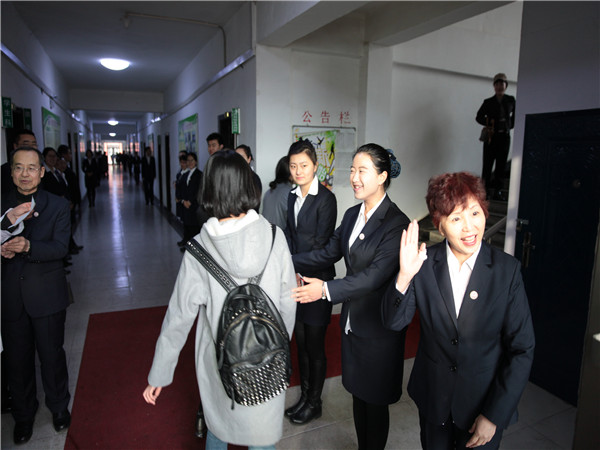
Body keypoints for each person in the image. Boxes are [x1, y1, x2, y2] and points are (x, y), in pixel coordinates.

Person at [143, 150, 296, 450]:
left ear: (209, 189)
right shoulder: (275, 236)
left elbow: (180, 315)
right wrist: (272, 346)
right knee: (263, 437)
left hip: (220, 361)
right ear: (247, 184)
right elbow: (288, 301)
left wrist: (160, 372)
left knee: (218, 428)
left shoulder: (199, 248)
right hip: (268, 360)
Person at [381, 172, 535, 450]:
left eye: (475, 213)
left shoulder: (506, 271)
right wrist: (404, 276)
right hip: (433, 399)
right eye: (455, 218)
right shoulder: (423, 264)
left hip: (482, 404)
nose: (469, 227)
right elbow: (393, 323)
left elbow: (522, 349)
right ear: (439, 226)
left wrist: (494, 414)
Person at [291, 143, 409, 449]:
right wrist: (285, 259)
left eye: (362, 171)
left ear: (382, 176)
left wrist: (324, 290)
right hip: (353, 324)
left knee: (375, 402)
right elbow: (328, 252)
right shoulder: (353, 213)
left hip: (379, 328)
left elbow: (373, 277)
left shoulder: (396, 223)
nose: (354, 178)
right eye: (353, 170)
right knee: (358, 395)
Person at [1, 146, 72, 444]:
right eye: (19, 168)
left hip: (46, 295)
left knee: (51, 355)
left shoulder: (57, 205)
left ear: (42, 172)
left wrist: (29, 247)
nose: (25, 174)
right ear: (11, 172)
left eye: (31, 168)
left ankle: (59, 407)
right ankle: (23, 415)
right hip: (10, 296)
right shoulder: (1, 204)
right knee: (17, 360)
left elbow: (60, 248)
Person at [283, 139, 337, 425]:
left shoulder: (326, 199)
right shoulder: (291, 196)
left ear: (315, 166)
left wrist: (290, 263)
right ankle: (305, 398)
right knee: (301, 343)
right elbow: (290, 235)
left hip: (318, 282)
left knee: (315, 346)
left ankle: (315, 402)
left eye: (304, 165)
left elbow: (322, 247)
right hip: (297, 280)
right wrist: (290, 269)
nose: (298, 171)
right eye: (293, 166)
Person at [476, 73, 516, 201]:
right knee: (487, 165)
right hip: (491, 137)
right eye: (497, 84)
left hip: (504, 136)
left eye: (502, 84)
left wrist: (508, 125)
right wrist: (489, 123)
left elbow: (516, 116)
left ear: (506, 85)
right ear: (494, 86)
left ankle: (498, 191)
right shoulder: (488, 102)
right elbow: (479, 117)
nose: (499, 86)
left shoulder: (510, 100)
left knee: (501, 165)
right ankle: (485, 191)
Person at [2, 130, 38, 196]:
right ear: (15, 146)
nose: (31, 147)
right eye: (26, 144)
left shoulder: (39, 168)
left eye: (34, 144)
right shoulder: (4, 170)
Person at [261, 156, 291, 230]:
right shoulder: (289, 193)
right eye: (294, 167)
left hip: (266, 233)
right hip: (280, 235)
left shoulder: (268, 192)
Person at [180, 152, 203, 250]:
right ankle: (188, 246)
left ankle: (194, 249)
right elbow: (182, 189)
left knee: (194, 228)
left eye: (191, 160)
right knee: (187, 227)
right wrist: (183, 201)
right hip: (186, 205)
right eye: (188, 160)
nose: (189, 162)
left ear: (196, 161)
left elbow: (199, 191)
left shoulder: (199, 174)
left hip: (194, 206)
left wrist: (190, 201)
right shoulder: (186, 174)